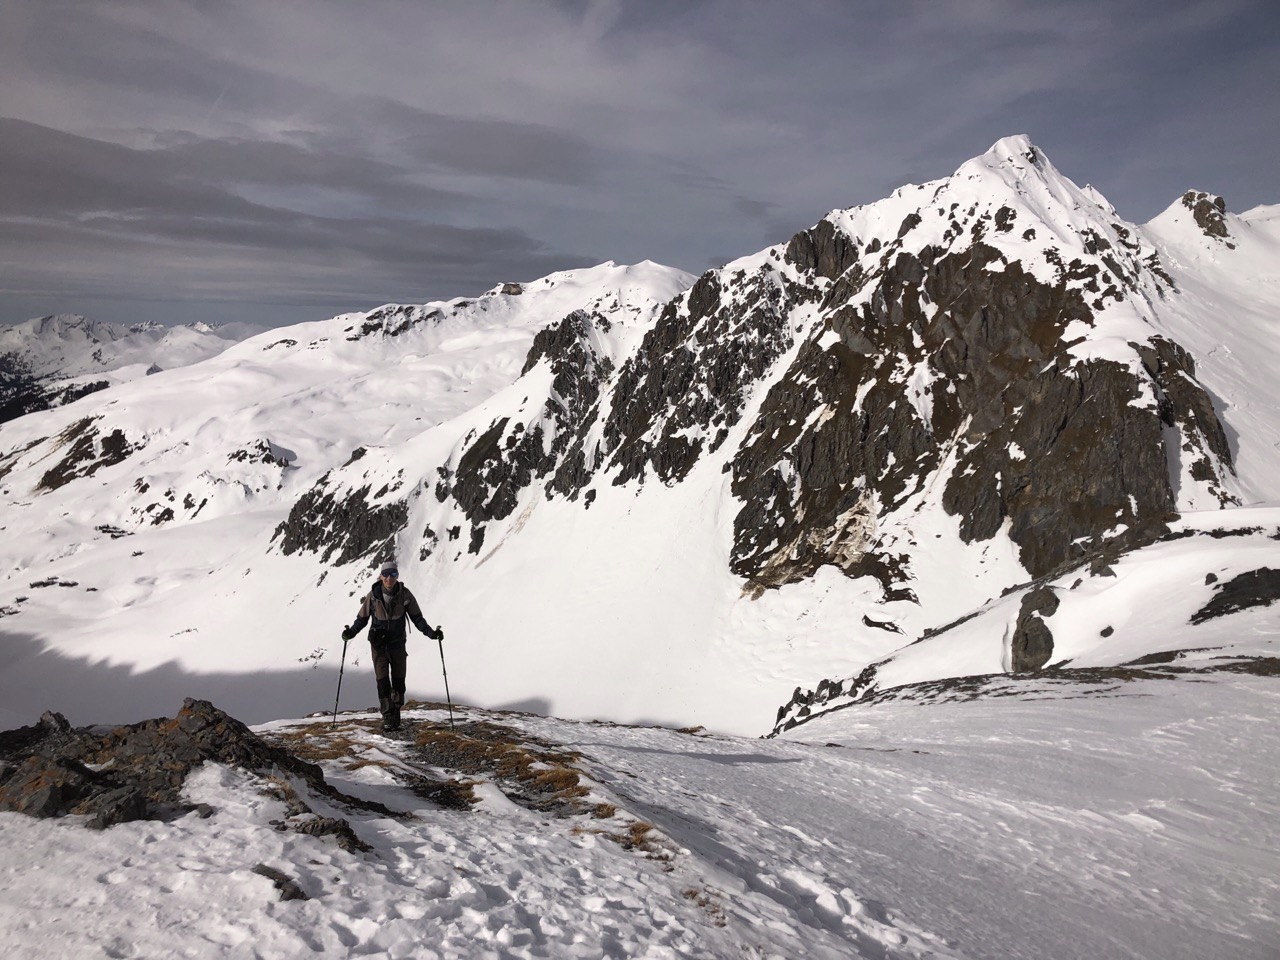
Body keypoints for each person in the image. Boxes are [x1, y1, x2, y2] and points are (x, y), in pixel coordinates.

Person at [341, 561, 442, 732]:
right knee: (382, 681)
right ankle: (388, 715)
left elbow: (418, 619)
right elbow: (362, 619)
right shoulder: (373, 596)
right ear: (380, 576)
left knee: (398, 680)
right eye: (386, 574)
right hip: (379, 646)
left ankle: (395, 712)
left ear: (397, 576)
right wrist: (351, 632)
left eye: (393, 574)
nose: (389, 578)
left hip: (397, 644)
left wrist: (432, 633)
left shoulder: (405, 595)